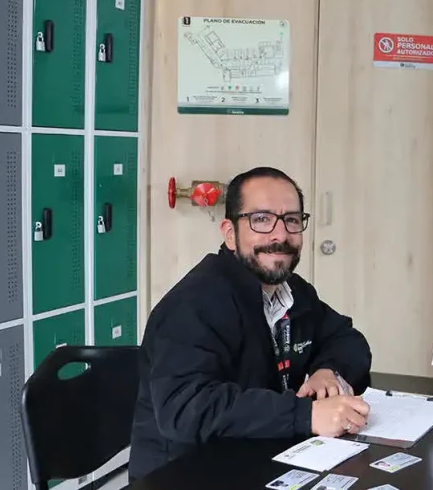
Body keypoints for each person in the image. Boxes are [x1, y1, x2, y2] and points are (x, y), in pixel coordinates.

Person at [128, 167, 373, 481]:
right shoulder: (192, 305)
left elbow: (347, 339)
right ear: (230, 234)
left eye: (292, 220)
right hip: (185, 475)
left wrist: (329, 370)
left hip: (263, 459)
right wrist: (307, 415)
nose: (280, 235)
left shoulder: (294, 291)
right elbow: (185, 408)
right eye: (261, 219)